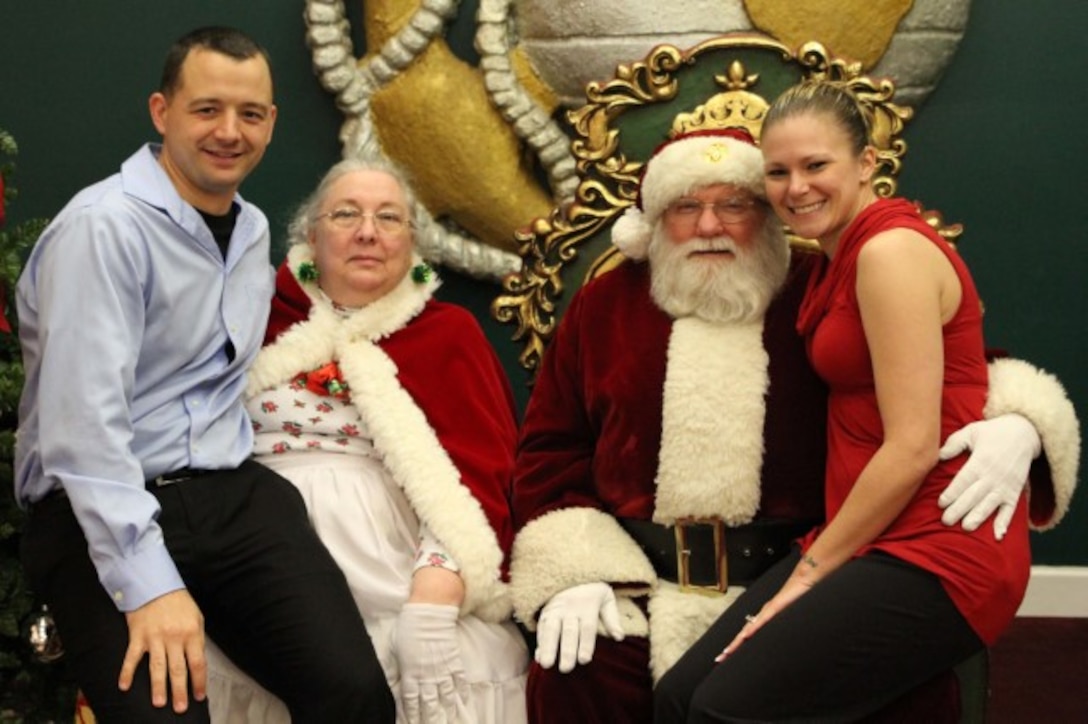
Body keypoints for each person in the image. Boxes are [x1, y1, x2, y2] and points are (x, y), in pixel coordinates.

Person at [509, 124, 1079, 724]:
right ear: (652, 220)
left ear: (768, 213)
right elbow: (550, 451)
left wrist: (1022, 423)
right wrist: (578, 572)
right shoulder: (603, 308)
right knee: (579, 673)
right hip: (642, 582)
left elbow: (959, 370)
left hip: (814, 565)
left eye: (734, 205)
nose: (709, 226)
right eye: (686, 207)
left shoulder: (822, 284)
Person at [15, 27, 394, 722]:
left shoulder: (249, 232)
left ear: (272, 124)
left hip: (231, 496)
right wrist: (149, 585)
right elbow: (83, 433)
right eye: (206, 109)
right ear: (162, 113)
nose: (230, 131)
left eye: (250, 114)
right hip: (99, 504)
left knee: (355, 699)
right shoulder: (103, 230)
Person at [200, 157, 530, 723]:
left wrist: (433, 595)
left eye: (389, 218)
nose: (368, 232)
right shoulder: (251, 318)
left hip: (398, 567)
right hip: (257, 561)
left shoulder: (450, 333)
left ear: (412, 242)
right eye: (346, 213)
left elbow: (482, 479)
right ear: (310, 233)